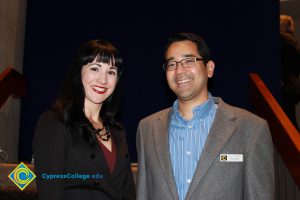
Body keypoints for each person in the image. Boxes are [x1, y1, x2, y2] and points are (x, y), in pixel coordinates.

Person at [136, 33, 274, 200]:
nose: (179, 71)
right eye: (171, 64)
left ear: (210, 68)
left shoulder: (251, 128)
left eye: (188, 61)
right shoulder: (147, 129)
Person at [33, 40, 136, 200]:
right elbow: (50, 191)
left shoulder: (118, 131)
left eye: (111, 72)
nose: (103, 80)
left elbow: (127, 192)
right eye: (95, 68)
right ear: (79, 72)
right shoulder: (54, 122)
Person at [280, 15, 300, 130]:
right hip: (293, 86)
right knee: (290, 120)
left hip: (285, 86)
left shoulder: (281, 39)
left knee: (289, 124)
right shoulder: (294, 43)